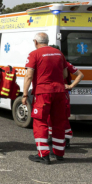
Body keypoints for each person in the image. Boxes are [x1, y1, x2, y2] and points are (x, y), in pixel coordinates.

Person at [22, 32, 69, 164]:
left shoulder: (34, 54)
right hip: (60, 91)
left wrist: (25, 94)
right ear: (47, 41)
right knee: (58, 122)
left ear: (35, 42)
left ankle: (43, 154)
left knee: (40, 122)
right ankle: (59, 153)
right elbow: (65, 73)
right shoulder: (59, 53)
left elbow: (29, 76)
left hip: (43, 93)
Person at [49, 45, 84, 148]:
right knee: (51, 116)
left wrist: (70, 86)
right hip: (53, 92)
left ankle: (66, 138)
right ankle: (54, 136)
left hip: (62, 93)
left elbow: (80, 75)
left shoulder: (65, 64)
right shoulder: (51, 63)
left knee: (62, 116)